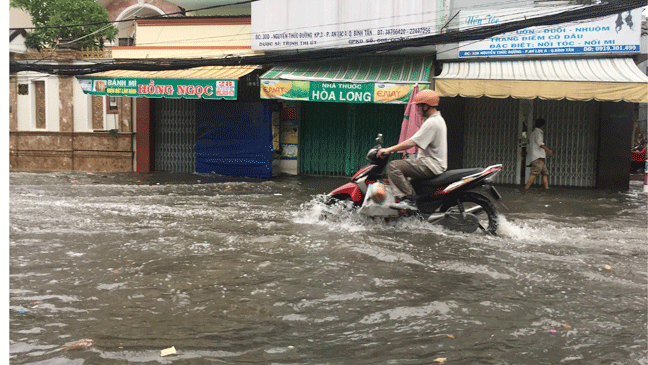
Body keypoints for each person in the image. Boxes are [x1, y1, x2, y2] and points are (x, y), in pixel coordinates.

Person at [377, 89, 447, 211]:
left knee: (393, 167)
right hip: (431, 163)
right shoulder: (436, 120)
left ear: (426, 106)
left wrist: (390, 149)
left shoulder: (432, 122)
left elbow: (412, 141)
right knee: (403, 174)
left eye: (418, 106)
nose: (417, 110)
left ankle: (408, 200)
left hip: (431, 165)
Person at [524, 118, 553, 190]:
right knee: (534, 173)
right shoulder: (538, 133)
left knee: (545, 172)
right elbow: (540, 143)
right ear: (543, 125)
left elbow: (529, 144)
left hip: (536, 156)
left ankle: (547, 188)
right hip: (537, 157)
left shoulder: (533, 133)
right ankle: (525, 188)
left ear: (535, 124)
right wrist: (548, 150)